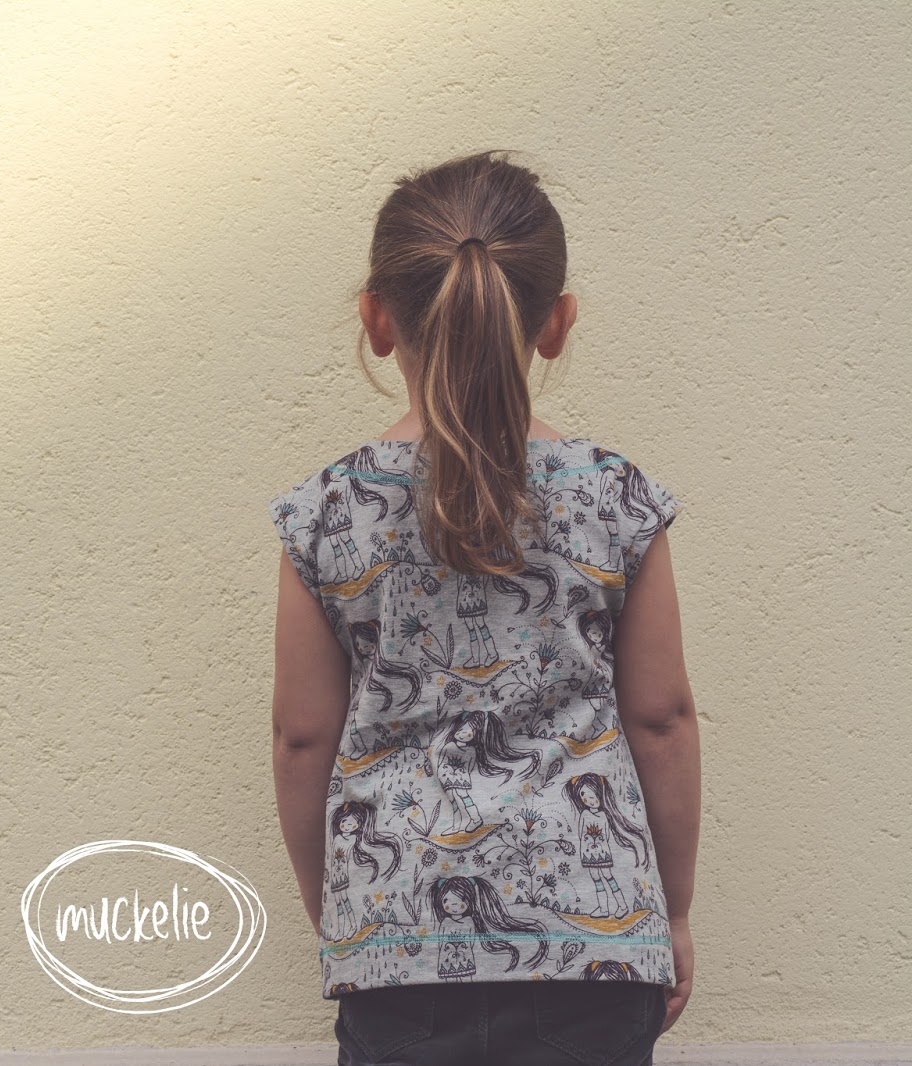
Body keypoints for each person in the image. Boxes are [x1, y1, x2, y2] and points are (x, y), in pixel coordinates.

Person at [268, 150, 700, 1065]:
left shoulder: (326, 511)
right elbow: (661, 720)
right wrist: (673, 914)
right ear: (557, 323)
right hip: (597, 950)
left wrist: (341, 914)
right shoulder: (614, 497)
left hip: (396, 947)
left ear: (377, 319)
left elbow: (302, 739)